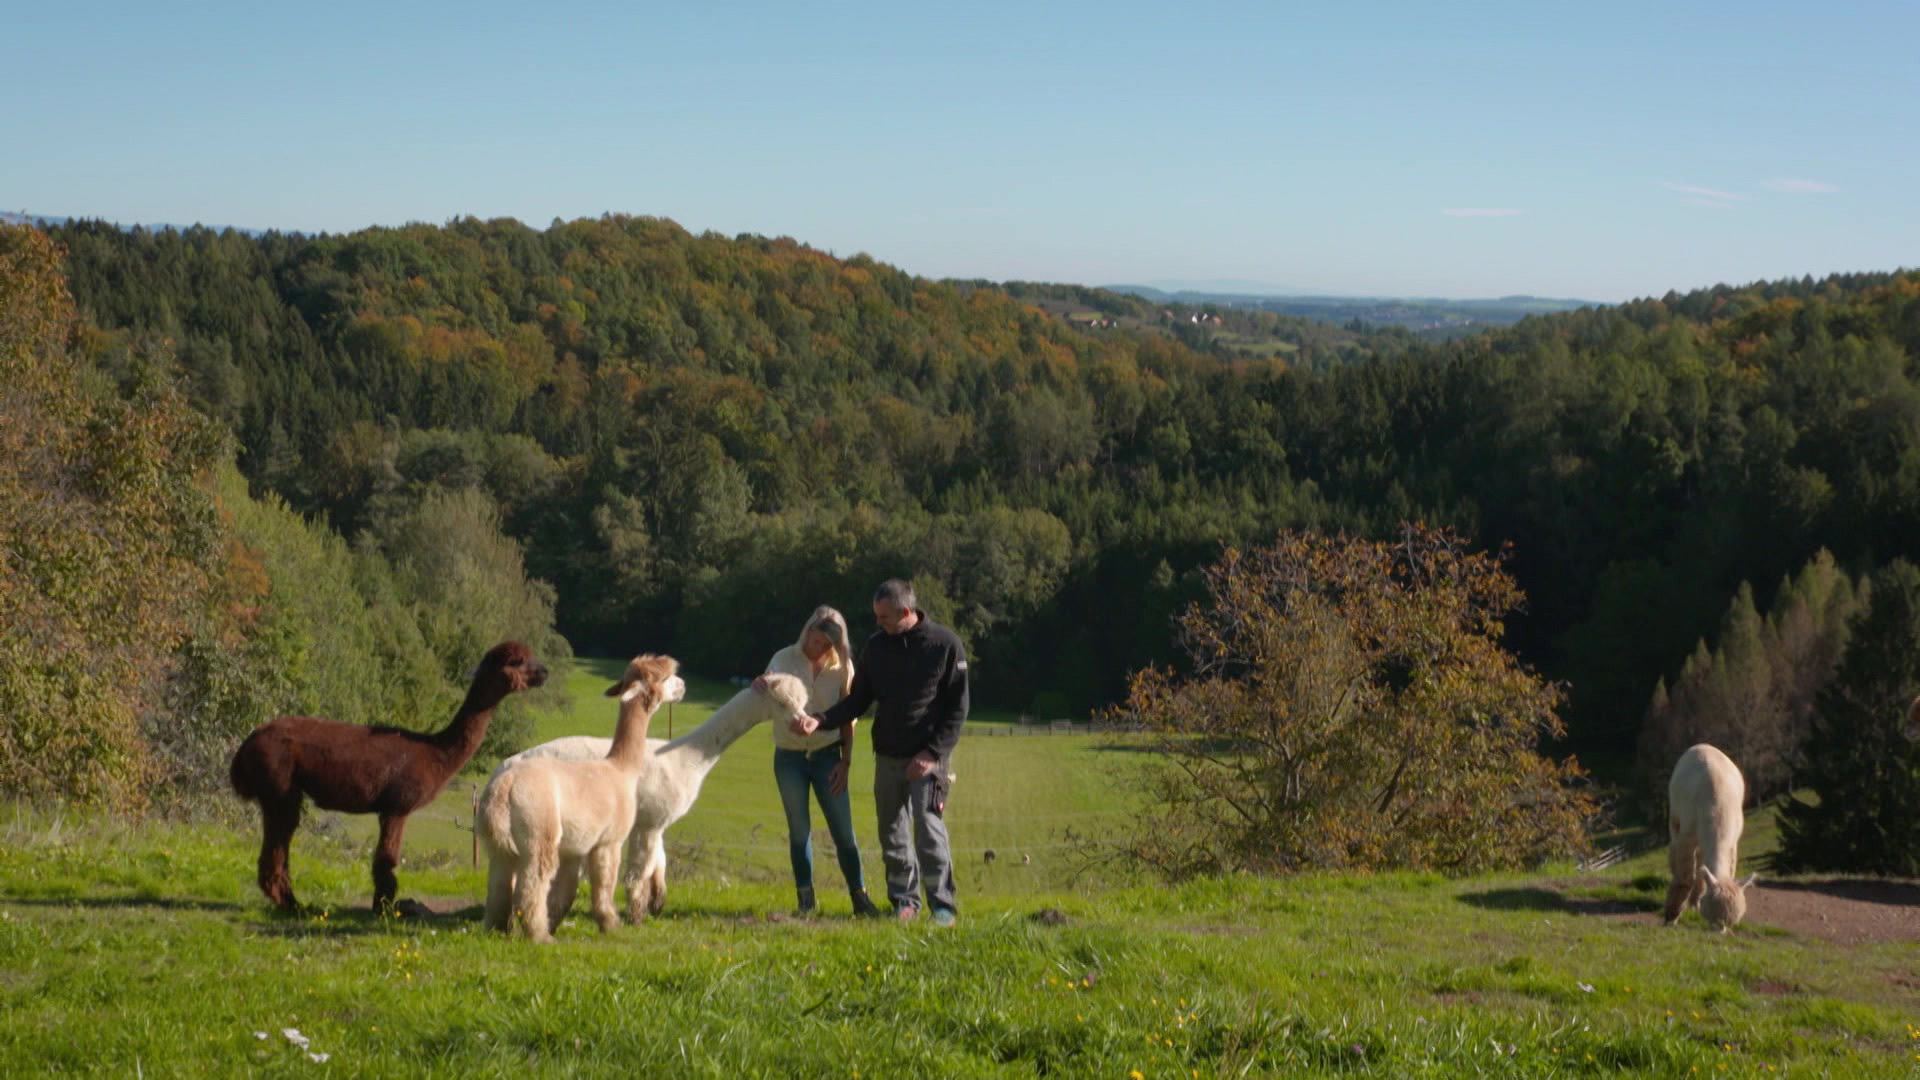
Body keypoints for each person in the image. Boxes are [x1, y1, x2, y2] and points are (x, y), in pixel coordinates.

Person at [791, 579, 968, 927]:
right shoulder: (876, 648)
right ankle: (904, 901)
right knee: (892, 832)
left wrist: (932, 753)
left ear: (906, 612)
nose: (878, 622)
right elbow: (858, 700)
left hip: (927, 758)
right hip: (887, 756)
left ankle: (943, 906)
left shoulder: (945, 645)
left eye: (884, 616)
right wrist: (820, 720)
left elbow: (958, 709)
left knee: (928, 830)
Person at [757, 605, 881, 917]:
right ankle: (806, 903)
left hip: (828, 756)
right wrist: (759, 685)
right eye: (816, 642)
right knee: (799, 832)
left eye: (828, 646)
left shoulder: (843, 667)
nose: (820, 649)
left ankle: (860, 899)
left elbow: (849, 715)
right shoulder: (783, 658)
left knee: (844, 832)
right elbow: (767, 692)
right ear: (808, 631)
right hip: (789, 757)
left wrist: (846, 761)